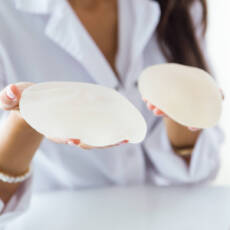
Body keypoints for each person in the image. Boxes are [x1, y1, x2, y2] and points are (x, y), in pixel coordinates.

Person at [0, 0, 224, 227]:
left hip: (159, 218)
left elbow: (198, 173)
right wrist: (26, 121)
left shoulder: (178, 6)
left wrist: (186, 109)